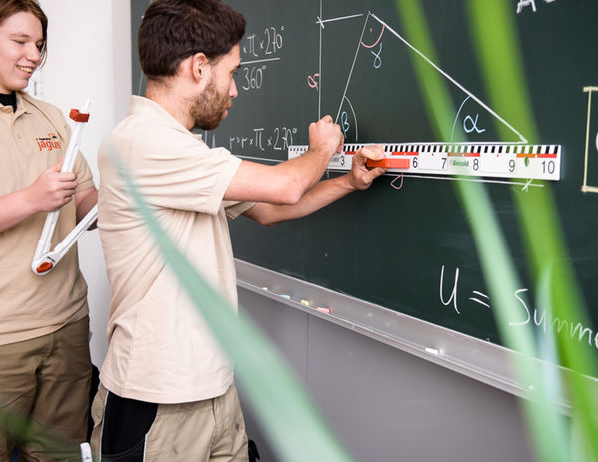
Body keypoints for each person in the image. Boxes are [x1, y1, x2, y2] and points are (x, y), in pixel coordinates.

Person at [90, 0, 386, 460]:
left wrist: (347, 181)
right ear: (198, 67)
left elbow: (269, 209)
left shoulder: (180, 149)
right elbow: (287, 186)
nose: (235, 91)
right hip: (157, 400)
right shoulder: (142, 144)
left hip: (213, 387)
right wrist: (324, 149)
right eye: (233, 73)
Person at [0, 0, 98, 460]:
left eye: (39, 44)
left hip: (68, 322)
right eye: (20, 41)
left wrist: (131, 199)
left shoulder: (53, 117)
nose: (34, 55)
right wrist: (28, 201)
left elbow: (84, 203)